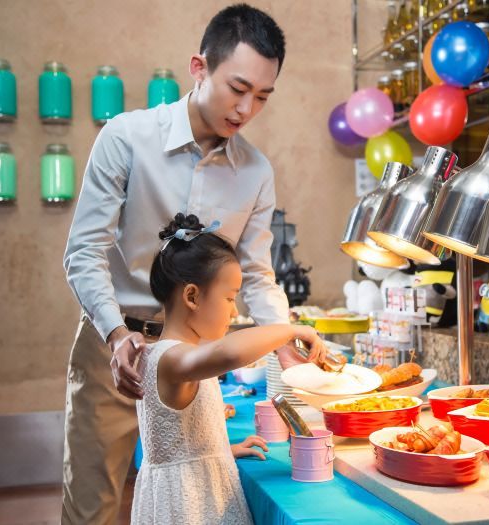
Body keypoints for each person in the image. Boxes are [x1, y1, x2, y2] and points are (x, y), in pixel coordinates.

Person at [61, 4, 306, 522]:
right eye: (238, 88)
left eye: (263, 96)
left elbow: (257, 274)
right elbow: (83, 252)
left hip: (191, 361)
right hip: (115, 344)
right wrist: (115, 335)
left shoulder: (256, 172)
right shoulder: (127, 137)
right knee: (92, 506)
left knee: (186, 490)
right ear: (199, 68)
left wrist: (285, 344)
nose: (247, 109)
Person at [130, 214, 327, 524]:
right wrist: (291, 330)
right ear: (192, 296)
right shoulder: (171, 358)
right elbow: (230, 352)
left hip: (195, 482)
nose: (235, 311)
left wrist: (222, 450)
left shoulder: (176, 354)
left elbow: (180, 448)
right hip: (187, 508)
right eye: (229, 298)